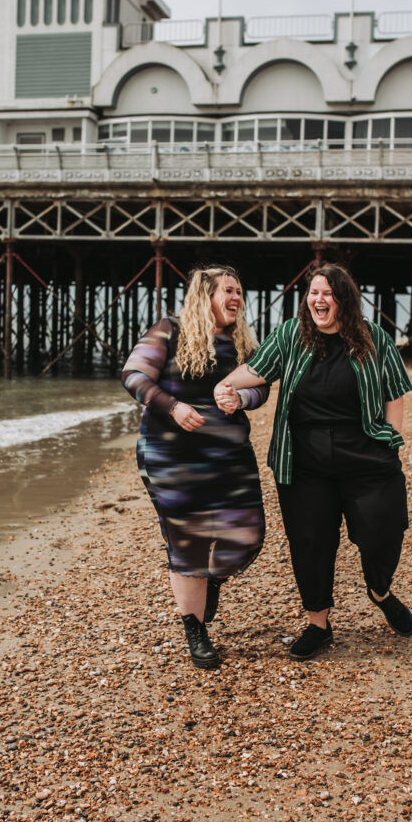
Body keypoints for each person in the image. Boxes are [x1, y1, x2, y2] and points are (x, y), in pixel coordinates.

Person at [215, 261, 412, 661]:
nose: (318, 300)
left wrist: (391, 439)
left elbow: (395, 389)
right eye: (313, 293)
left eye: (327, 294)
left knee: (384, 530)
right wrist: (225, 384)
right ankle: (318, 624)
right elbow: (257, 370)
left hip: (365, 452)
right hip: (303, 460)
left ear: (343, 300)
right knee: (310, 544)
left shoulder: (373, 337)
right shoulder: (292, 334)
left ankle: (379, 589)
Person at [121, 265, 269, 670]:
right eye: (228, 291)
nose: (237, 298)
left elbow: (262, 386)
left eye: (240, 291)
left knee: (249, 534)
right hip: (171, 456)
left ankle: (213, 579)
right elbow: (133, 375)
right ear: (204, 295)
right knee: (189, 542)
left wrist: (244, 400)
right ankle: (195, 630)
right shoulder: (169, 330)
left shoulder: (241, 341)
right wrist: (173, 406)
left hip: (229, 456)